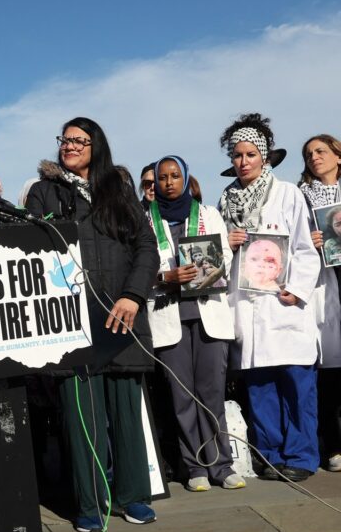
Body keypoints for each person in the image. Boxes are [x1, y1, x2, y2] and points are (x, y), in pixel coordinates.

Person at [25, 117, 159, 532]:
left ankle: (132, 496)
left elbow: (146, 245)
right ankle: (88, 502)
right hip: (72, 322)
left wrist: (133, 295)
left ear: (95, 146)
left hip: (122, 315)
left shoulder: (117, 189)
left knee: (125, 413)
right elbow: (30, 249)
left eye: (79, 141)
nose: (70, 146)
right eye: (65, 140)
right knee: (81, 416)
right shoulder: (43, 191)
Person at [218, 113, 321, 482]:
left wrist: (297, 289)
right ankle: (271, 455)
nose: (242, 162)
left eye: (249, 154)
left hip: (284, 305)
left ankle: (302, 455)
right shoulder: (225, 200)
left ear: (264, 156)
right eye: (236, 156)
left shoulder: (287, 194)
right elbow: (219, 258)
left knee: (296, 386)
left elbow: (306, 249)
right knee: (260, 388)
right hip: (247, 308)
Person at [145, 156, 242, 492]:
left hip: (208, 313)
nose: (169, 182)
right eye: (163, 177)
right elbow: (139, 269)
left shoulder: (208, 215)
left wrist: (206, 270)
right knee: (181, 396)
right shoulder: (144, 221)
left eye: (175, 176)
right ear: (155, 183)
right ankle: (194, 468)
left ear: (186, 179)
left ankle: (222, 465)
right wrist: (165, 276)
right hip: (168, 314)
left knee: (212, 392)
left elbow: (226, 257)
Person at [298, 134, 341, 470]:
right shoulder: (301, 195)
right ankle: (333, 444)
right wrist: (308, 237)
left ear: (338, 156)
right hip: (321, 283)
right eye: (309, 153)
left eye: (321, 151)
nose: (315, 157)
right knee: (328, 366)